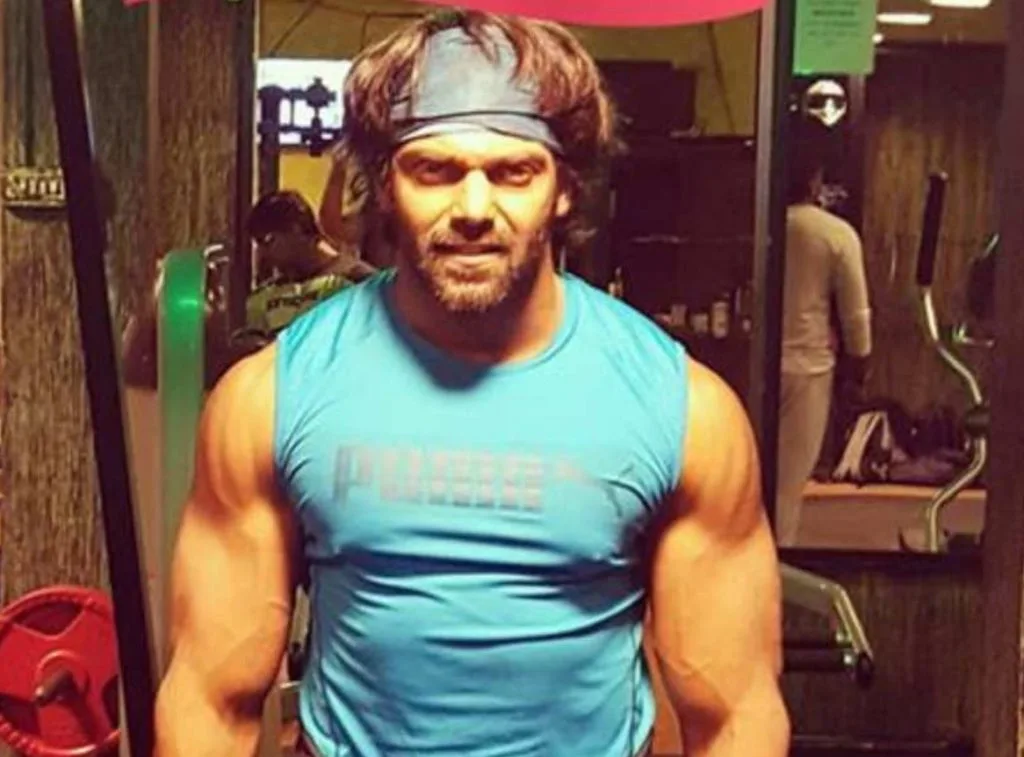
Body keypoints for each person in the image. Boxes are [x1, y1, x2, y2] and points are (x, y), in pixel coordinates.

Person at [154, 11, 788, 757]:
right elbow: (209, 697)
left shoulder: (682, 410)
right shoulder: (270, 399)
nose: (475, 210)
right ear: (385, 185)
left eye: (514, 172)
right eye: (436, 170)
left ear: (564, 189)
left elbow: (735, 712)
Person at [776, 120, 873, 547]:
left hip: (754, 361)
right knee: (787, 487)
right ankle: (779, 562)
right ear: (815, 176)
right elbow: (856, 316)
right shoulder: (835, 234)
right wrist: (860, 366)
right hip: (810, 369)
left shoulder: (762, 224)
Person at [246, 189, 377, 335]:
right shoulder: (264, 297)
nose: (263, 253)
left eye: (268, 241)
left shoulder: (358, 283)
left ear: (295, 229)